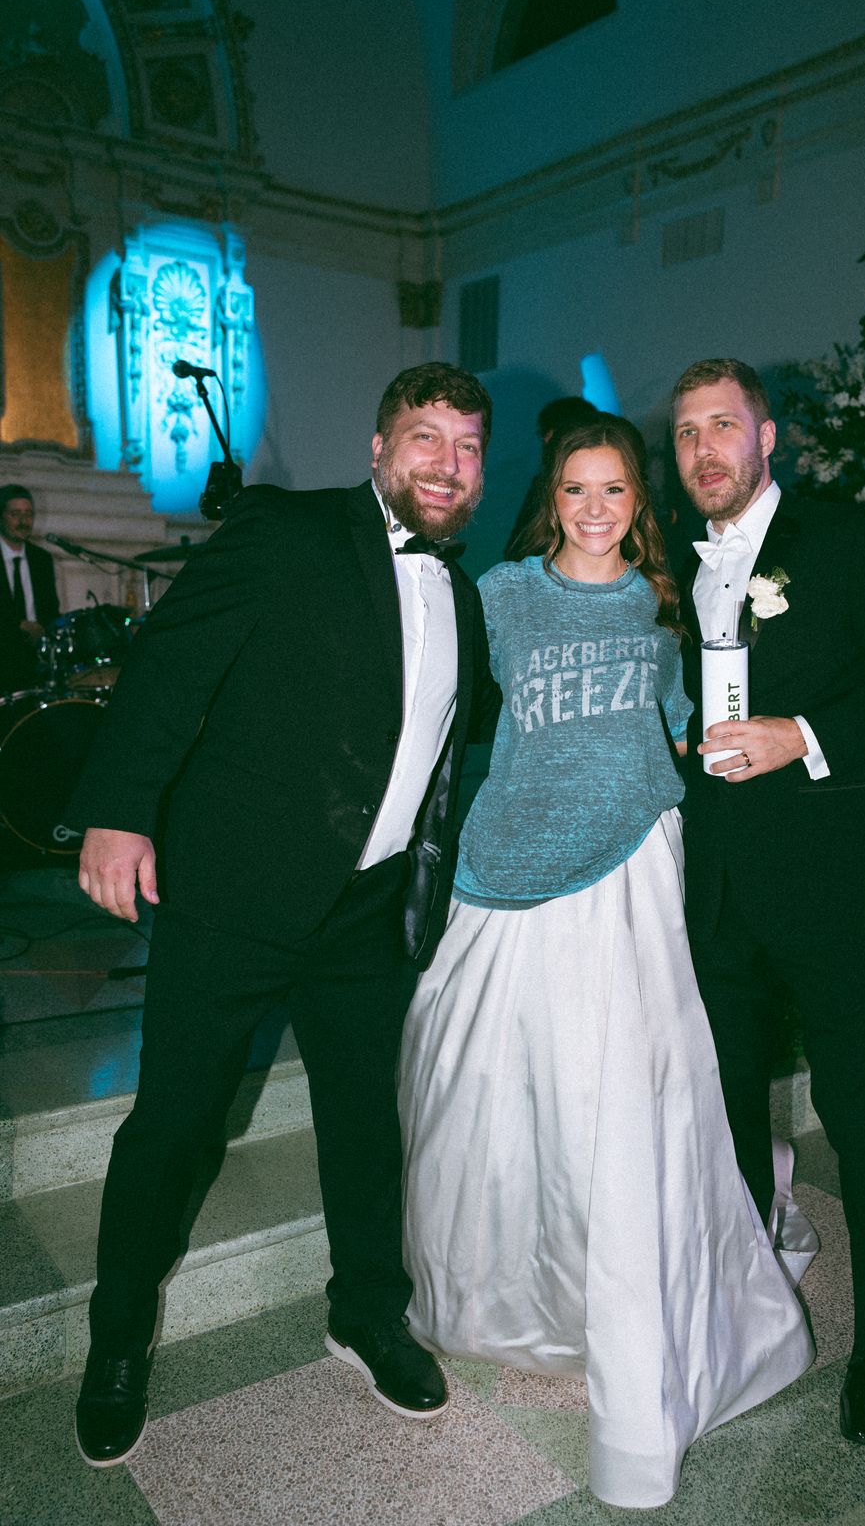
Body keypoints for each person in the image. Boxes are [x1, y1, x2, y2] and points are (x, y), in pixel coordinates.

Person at [66, 363, 500, 1467]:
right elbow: (169, 664)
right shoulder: (284, 530)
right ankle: (116, 1339)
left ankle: (365, 1313)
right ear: (377, 448)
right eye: (425, 438)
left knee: (365, 1124)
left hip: (367, 909)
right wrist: (118, 812)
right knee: (173, 1125)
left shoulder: (461, 595)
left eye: (467, 446)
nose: (447, 463)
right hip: (236, 894)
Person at [399, 415, 814, 1510]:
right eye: (575, 488)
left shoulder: (660, 606)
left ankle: (635, 1314)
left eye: (614, 489)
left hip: (632, 871)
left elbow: (682, 729)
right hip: (509, 867)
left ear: (639, 503)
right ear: (552, 497)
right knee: (495, 1092)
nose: (594, 507)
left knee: (624, 1100)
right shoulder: (498, 593)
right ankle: (516, 1294)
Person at [671, 358, 865, 1448]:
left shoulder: (844, 537)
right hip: (718, 892)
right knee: (730, 1115)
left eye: (722, 425)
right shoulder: (673, 558)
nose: (704, 448)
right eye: (686, 431)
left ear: (767, 437)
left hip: (839, 889)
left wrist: (801, 735)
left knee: (858, 1115)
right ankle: (752, 1318)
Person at [503, 394, 597, 559]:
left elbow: (516, 551)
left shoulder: (546, 483)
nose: (546, 442)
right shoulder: (543, 484)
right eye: (544, 434)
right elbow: (517, 550)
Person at [0, 484, 60, 694]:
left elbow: (50, 610)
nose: (23, 521)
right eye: (15, 514)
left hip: (34, 659)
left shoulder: (41, 559)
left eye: (28, 514)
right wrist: (20, 626)